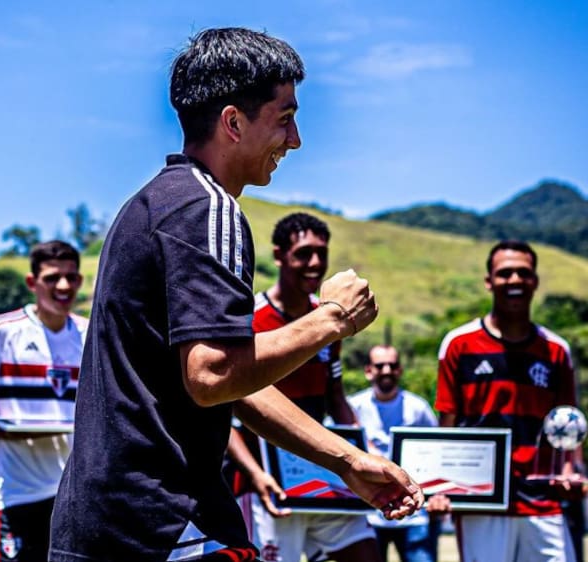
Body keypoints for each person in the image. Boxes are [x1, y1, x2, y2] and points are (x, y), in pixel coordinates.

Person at [49, 27, 423, 562]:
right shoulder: (209, 208)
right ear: (233, 122)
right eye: (285, 117)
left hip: (105, 523)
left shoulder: (155, 203)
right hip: (166, 525)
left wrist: (345, 460)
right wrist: (332, 318)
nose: (295, 140)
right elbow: (215, 375)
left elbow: (232, 379)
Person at [225, 212, 380, 562]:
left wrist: (365, 450)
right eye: (303, 253)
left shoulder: (329, 319)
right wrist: (255, 473)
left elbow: (336, 398)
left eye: (321, 254)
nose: (315, 263)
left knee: (368, 553)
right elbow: (224, 403)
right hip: (266, 485)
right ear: (279, 255)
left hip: (320, 476)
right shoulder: (247, 317)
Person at [432, 240, 581, 562]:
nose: (515, 280)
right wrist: (441, 487)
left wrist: (570, 471)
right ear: (489, 281)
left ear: (535, 281)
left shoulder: (556, 350)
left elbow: (567, 426)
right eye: (505, 273)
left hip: (543, 500)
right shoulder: (459, 344)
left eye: (523, 273)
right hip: (482, 500)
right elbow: (448, 424)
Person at [0, 240, 86, 562]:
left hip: (76, 498)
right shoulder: (0, 331)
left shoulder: (90, 334)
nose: (63, 286)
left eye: (71, 277)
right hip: (18, 495)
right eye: (52, 277)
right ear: (32, 283)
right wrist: (17, 430)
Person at [348, 345, 440, 562]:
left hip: (415, 515)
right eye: (380, 365)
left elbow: (437, 452)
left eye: (393, 365)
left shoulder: (418, 408)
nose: (387, 370)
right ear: (368, 370)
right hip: (366, 514)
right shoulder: (352, 407)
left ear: (400, 370)